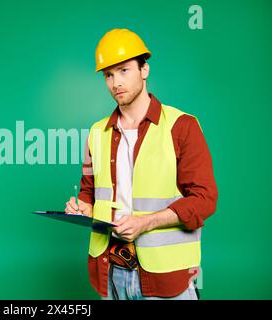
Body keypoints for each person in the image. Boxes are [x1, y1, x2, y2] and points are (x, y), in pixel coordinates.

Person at [64, 28, 218, 300]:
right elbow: (89, 192)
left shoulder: (182, 127)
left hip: (166, 277)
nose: (115, 82)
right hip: (110, 271)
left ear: (144, 70)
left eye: (123, 70)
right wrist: (82, 208)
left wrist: (146, 223)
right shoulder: (96, 132)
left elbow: (204, 200)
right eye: (108, 75)